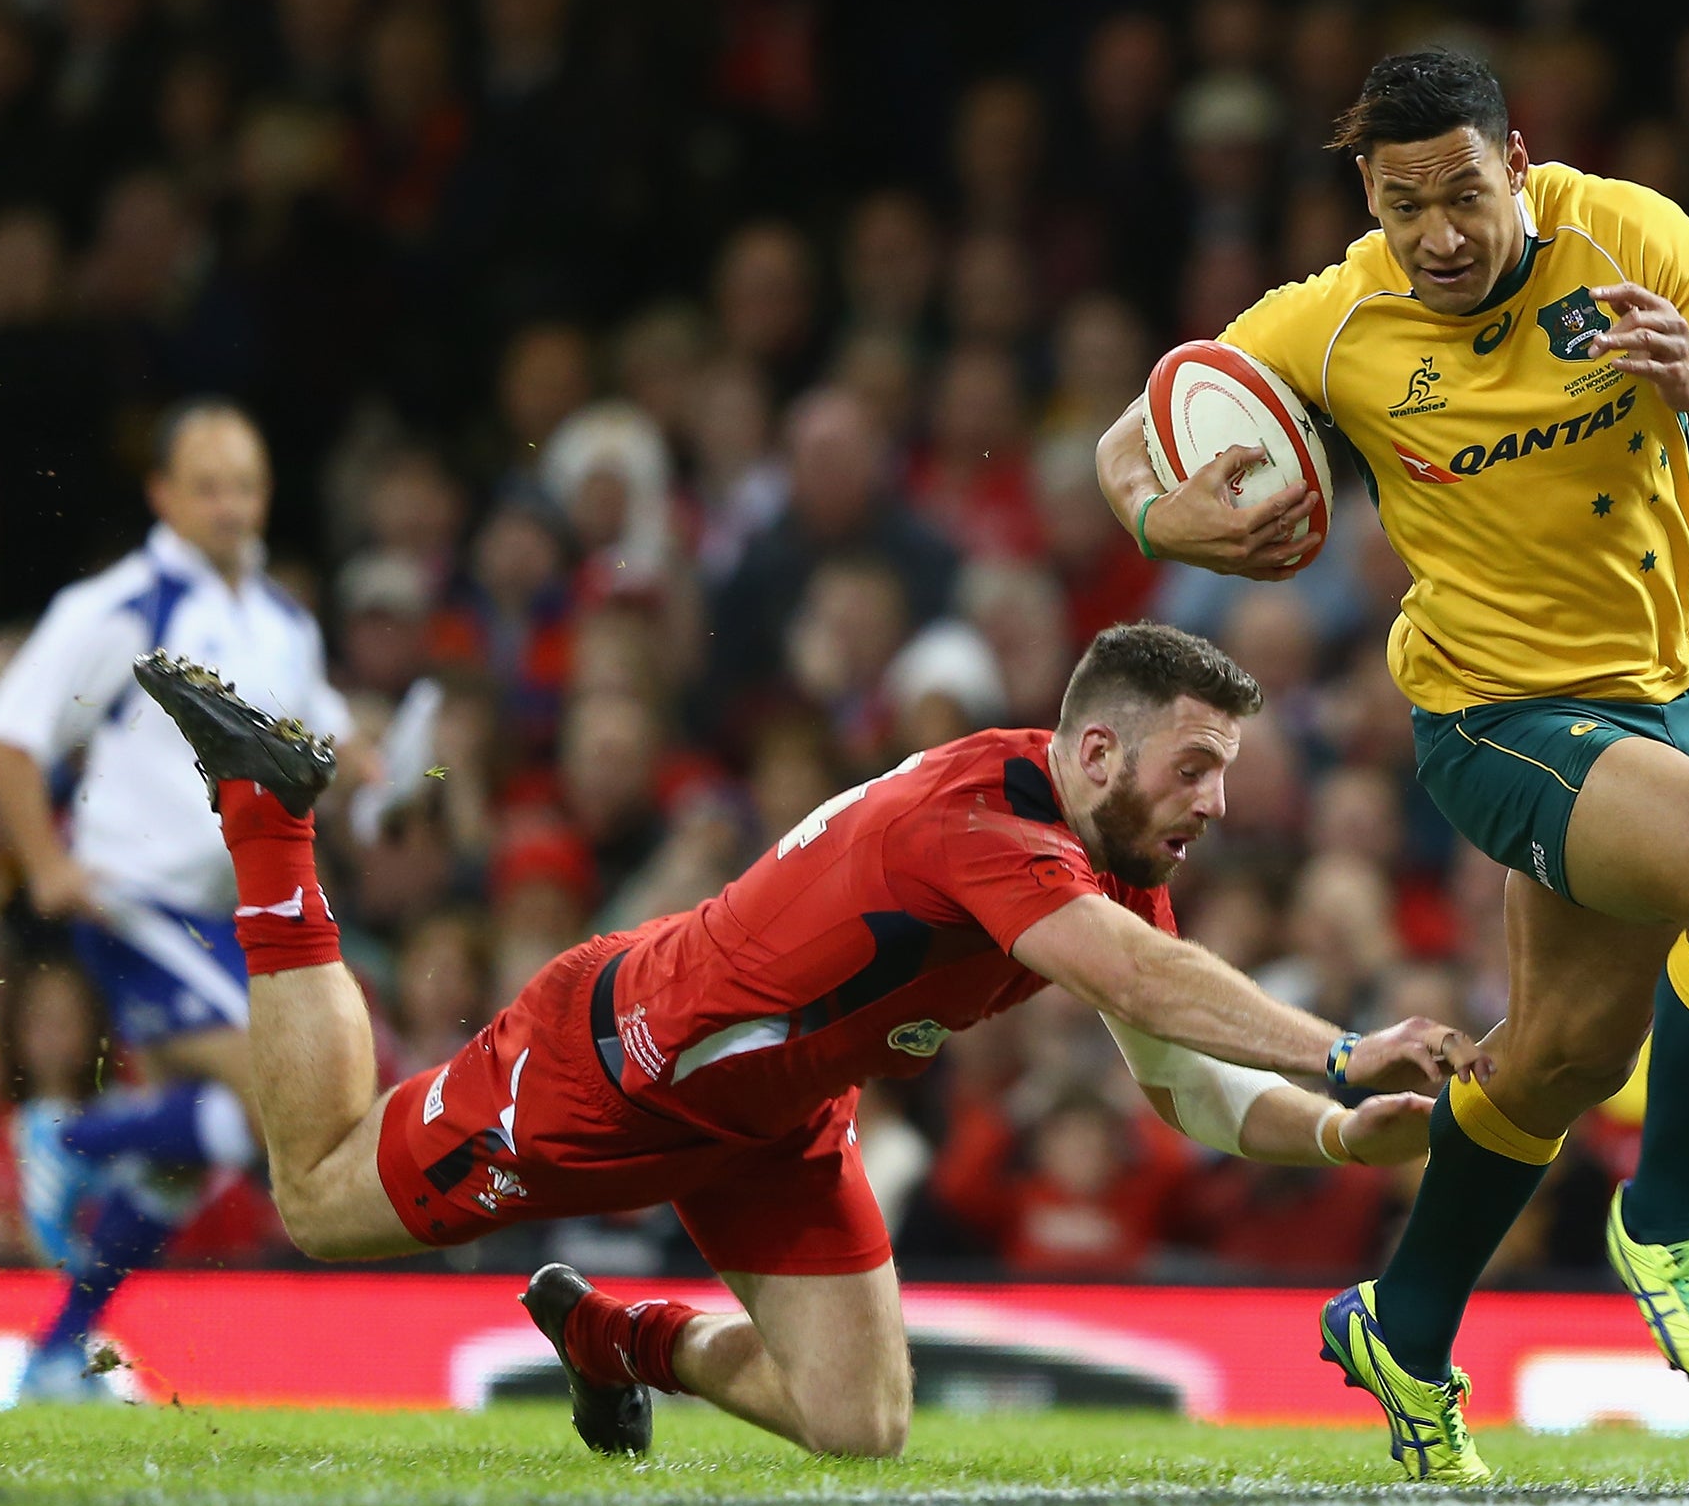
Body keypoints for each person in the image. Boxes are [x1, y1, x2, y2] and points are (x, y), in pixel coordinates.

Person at [131, 621, 1489, 1459]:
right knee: (315, 1195)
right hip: (609, 1079)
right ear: (1090, 753)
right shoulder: (984, 831)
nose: (1218, 801)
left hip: (778, 1120)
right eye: (1193, 766)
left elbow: (1180, 1074)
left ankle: (620, 1342)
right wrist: (1341, 1046)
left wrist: (1326, 1128)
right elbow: (1136, 974)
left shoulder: (1107, 864)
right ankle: (269, 815)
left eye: (1228, 773)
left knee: (862, 1425)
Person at [1096, 50, 1689, 1481]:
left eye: (1462, 193)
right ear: (1365, 200)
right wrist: (1164, 525)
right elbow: (1127, 440)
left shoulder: (1623, 230)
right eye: (1400, 205)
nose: (1438, 235)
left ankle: (1406, 1321)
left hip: (1660, 699)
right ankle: (1673, 1210)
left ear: (1517, 162)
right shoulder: (1332, 320)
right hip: (1494, 719)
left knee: (1563, 1058)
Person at [0, 398, 353, 1401]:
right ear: (163, 496)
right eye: (209, 488)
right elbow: (9, 735)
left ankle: (61, 1349)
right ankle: (69, 1139)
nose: (231, 508)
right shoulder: (123, 607)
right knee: (291, 1102)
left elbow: (319, 752)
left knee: (207, 1146)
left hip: (234, 915)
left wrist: (391, 774)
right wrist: (46, 866)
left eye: (245, 486)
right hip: (138, 904)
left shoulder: (280, 621)